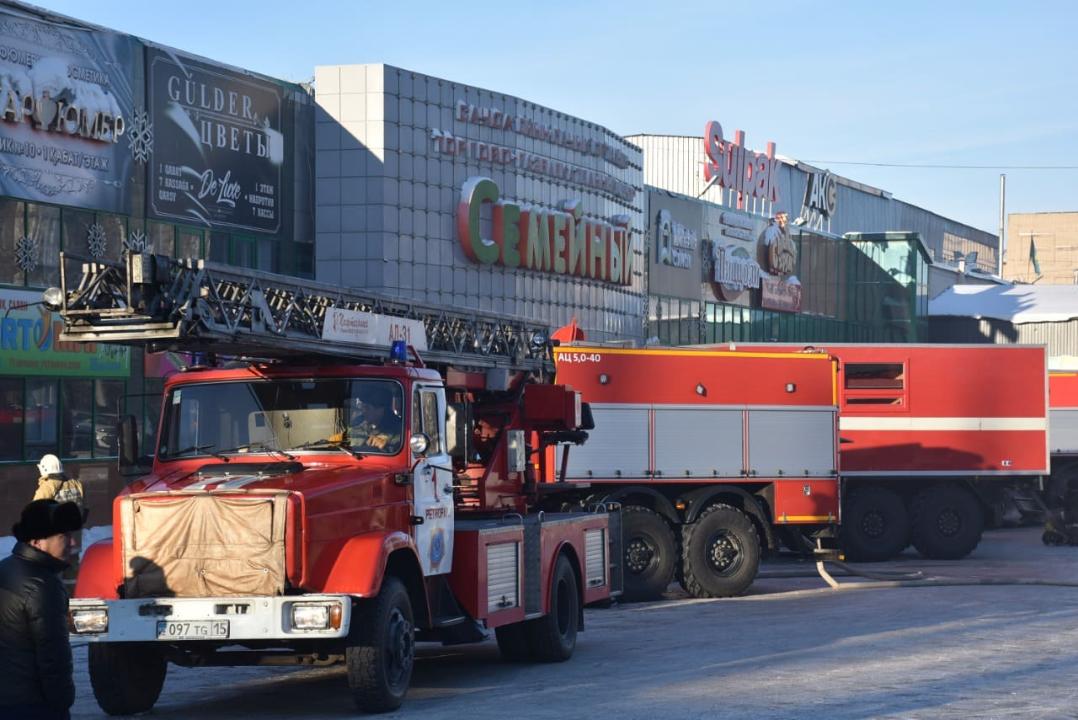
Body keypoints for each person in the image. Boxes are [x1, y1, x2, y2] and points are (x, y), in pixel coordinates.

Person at [0, 499, 84, 720]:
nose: (72, 542)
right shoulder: (42, 586)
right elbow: (53, 655)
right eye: (63, 536)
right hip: (33, 705)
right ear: (37, 542)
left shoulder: (5, 568)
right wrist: (62, 703)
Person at [32, 455, 84, 588]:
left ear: (44, 469)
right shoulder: (76, 484)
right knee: (72, 569)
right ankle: (72, 596)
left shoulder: (47, 487)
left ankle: (55, 598)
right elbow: (83, 508)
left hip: (55, 540)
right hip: (74, 538)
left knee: (52, 570)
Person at [348, 384, 402, 452]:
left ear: (381, 410)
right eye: (362, 407)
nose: (363, 411)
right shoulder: (358, 422)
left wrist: (385, 446)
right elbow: (346, 436)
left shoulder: (399, 430)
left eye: (367, 408)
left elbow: (398, 452)